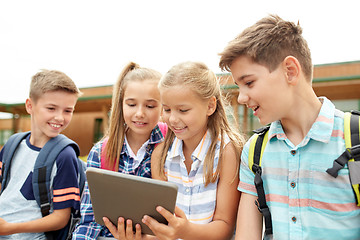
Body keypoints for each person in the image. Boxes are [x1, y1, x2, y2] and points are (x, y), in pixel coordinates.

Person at [218, 14, 360, 240]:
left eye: (249, 83)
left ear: (290, 71)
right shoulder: (255, 151)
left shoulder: (356, 139)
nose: (242, 97)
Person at [104, 61, 245, 240]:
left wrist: (185, 231)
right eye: (167, 109)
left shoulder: (226, 151)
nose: (172, 119)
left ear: (210, 106)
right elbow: (165, 230)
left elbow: (224, 227)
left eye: (183, 110)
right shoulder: (161, 155)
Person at [72, 62, 166, 239]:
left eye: (150, 106)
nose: (139, 113)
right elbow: (89, 219)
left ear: (163, 107)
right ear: (121, 105)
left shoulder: (172, 147)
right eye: (131, 104)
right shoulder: (101, 152)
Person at [0, 70, 82, 239]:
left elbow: (60, 219)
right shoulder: (12, 145)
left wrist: (9, 228)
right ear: (30, 106)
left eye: (68, 111)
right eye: (51, 108)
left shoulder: (65, 156)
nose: (60, 117)